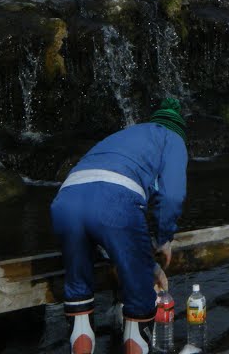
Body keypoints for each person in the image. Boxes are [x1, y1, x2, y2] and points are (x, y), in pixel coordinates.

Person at [50, 97, 188, 354]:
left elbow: (98, 219)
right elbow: (171, 196)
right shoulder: (173, 139)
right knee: (139, 299)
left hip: (66, 201)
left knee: (79, 292)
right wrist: (163, 238)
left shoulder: (124, 135)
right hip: (115, 203)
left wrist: (148, 262)